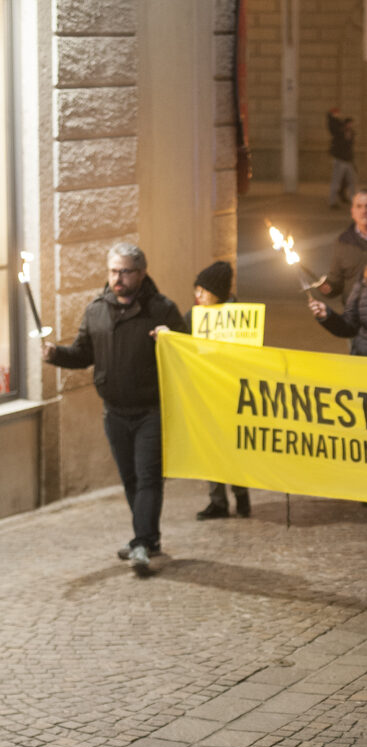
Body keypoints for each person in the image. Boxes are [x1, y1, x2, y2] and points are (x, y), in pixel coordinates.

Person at [42, 242, 185, 574]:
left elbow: (187, 350)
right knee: (131, 478)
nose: (118, 278)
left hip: (151, 409)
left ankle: (140, 543)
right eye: (113, 271)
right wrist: (56, 355)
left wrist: (171, 339)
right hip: (115, 412)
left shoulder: (161, 309)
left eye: (125, 271)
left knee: (149, 478)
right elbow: (83, 353)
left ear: (141, 273)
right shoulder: (96, 310)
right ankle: (148, 539)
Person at [184, 261, 251, 521]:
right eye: (196, 291)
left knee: (233, 447)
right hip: (205, 390)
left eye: (202, 291)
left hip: (232, 392)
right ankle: (217, 500)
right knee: (210, 446)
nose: (197, 296)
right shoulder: (193, 317)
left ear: (216, 292)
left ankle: (241, 494)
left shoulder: (240, 317)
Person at [326, 108, 356, 209]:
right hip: (340, 160)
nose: (350, 126)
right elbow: (332, 127)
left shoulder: (350, 133)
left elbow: (350, 146)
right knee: (336, 182)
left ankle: (353, 200)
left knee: (352, 181)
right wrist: (332, 116)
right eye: (349, 124)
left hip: (348, 161)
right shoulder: (338, 132)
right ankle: (332, 202)